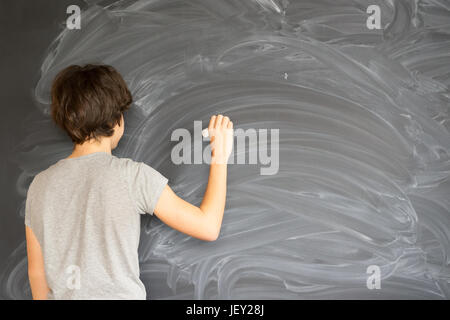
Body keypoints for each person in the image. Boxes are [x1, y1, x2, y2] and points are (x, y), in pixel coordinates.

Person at [25, 64, 233, 299]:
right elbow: (208, 226)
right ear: (117, 121)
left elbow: (37, 273)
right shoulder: (133, 177)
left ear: (68, 120)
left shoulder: (38, 186)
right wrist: (220, 155)